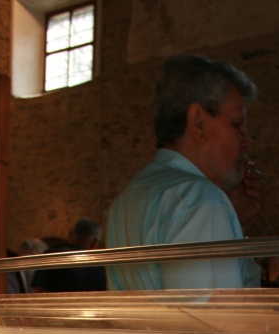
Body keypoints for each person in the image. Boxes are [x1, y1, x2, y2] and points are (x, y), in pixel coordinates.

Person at [105, 54, 264, 291]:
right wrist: (215, 210)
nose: (246, 142)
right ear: (198, 122)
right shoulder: (200, 200)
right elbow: (218, 313)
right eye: (237, 124)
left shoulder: (128, 198)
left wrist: (231, 220)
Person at [32, 219, 106, 292]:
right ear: (95, 242)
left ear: (70, 235)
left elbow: (39, 292)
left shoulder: (52, 256)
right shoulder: (101, 268)